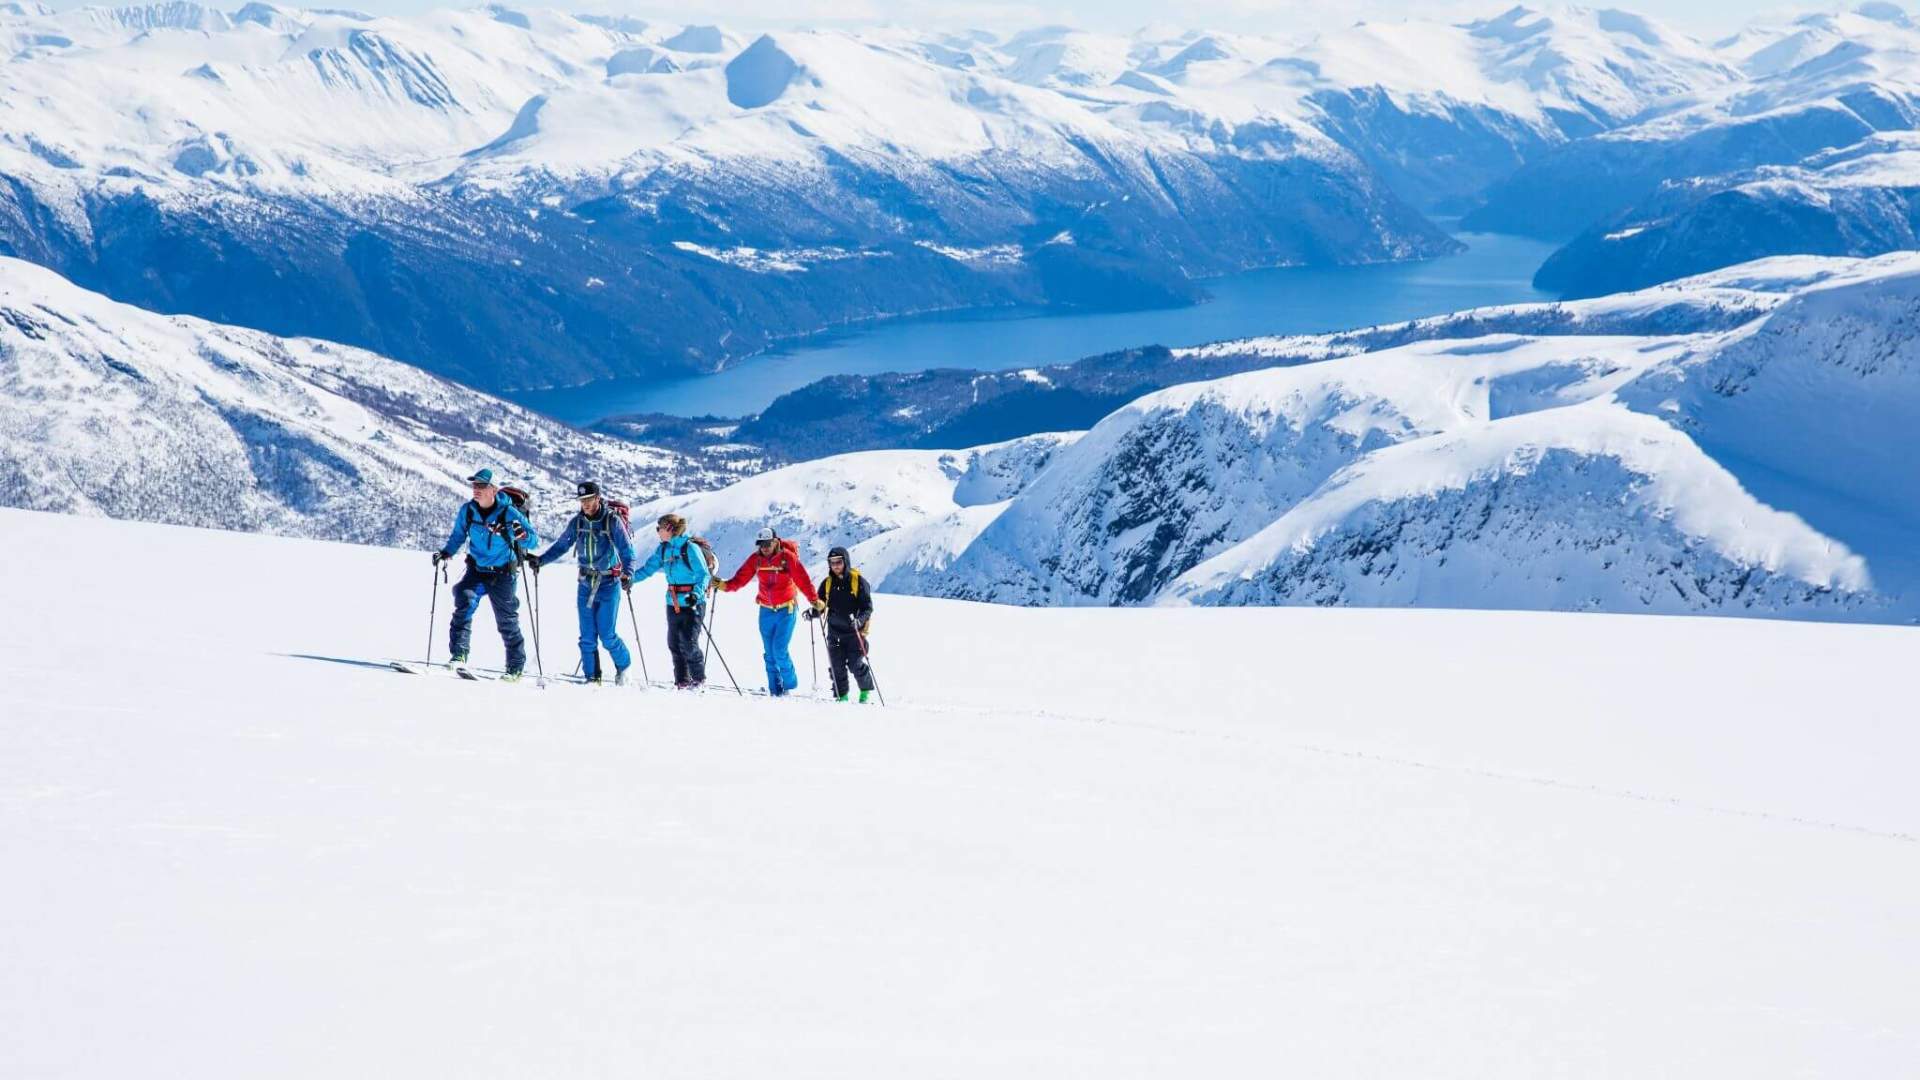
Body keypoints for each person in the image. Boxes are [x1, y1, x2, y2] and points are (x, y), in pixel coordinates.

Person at [433, 468, 539, 681]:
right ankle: (459, 655)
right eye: (475, 485)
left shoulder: (509, 513)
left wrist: (520, 534)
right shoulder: (468, 511)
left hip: (503, 574)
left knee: (507, 620)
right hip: (476, 570)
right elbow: (458, 535)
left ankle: (515, 667)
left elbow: (533, 541)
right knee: (464, 603)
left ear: (493, 489)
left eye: (481, 485)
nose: (476, 489)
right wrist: (446, 553)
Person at [529, 481, 636, 685]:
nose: (585, 504)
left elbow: (627, 550)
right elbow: (562, 545)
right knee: (587, 636)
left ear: (598, 498)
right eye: (582, 500)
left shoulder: (612, 521)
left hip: (609, 583)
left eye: (588, 499)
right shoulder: (577, 523)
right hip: (585, 583)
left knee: (607, 634)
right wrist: (541, 560)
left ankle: (624, 667)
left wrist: (628, 574)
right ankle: (592, 678)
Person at [715, 525, 820, 697]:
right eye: (761, 544)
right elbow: (740, 578)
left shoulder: (787, 558)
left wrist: (814, 599)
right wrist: (724, 586)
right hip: (766, 611)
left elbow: (803, 580)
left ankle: (789, 685)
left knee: (779, 650)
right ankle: (775, 691)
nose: (764, 548)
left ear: (775, 542)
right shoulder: (756, 560)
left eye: (767, 544)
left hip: (786, 610)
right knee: (769, 653)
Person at [630, 513, 714, 689]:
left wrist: (696, 595)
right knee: (674, 643)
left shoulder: (690, 548)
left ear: (669, 528)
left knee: (689, 643)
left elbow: (703, 574)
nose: (657, 531)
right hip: (673, 602)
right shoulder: (663, 550)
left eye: (659, 528)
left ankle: (698, 680)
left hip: (693, 602)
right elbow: (648, 569)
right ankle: (682, 681)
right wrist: (629, 579)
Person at [808, 545, 876, 703]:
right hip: (834, 632)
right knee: (836, 666)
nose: (835, 565)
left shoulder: (858, 581)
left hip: (854, 632)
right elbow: (821, 604)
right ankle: (842, 696)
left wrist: (859, 620)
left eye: (838, 561)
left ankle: (865, 691)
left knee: (855, 664)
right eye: (832, 562)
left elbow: (867, 608)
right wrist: (813, 613)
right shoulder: (827, 583)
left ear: (846, 561)